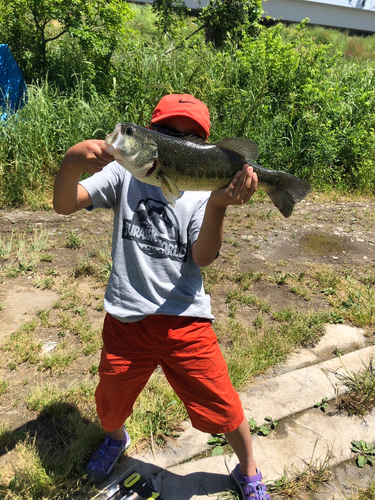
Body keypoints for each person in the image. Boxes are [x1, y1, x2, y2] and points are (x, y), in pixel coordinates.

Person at [53, 93, 271, 500]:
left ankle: (249, 469)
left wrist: (220, 205)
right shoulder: (123, 174)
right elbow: (66, 204)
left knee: (221, 403)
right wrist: (70, 165)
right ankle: (116, 439)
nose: (178, 140)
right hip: (126, 318)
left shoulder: (202, 191)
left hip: (186, 320)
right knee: (110, 400)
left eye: (190, 138)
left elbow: (202, 257)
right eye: (168, 133)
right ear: (151, 135)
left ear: (203, 149)